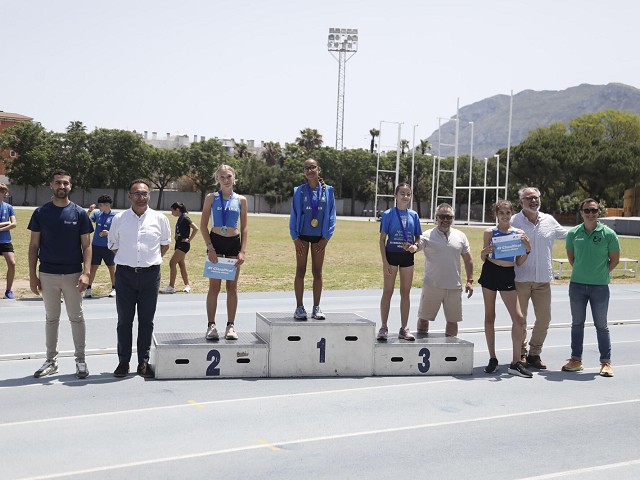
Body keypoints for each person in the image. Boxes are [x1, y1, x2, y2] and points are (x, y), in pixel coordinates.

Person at [27, 169, 93, 378]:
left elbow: (87, 246)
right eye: (58, 183)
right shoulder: (40, 213)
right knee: (51, 318)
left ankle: (80, 360)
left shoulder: (79, 213)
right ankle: (51, 361)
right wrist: (32, 276)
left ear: (70, 186)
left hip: (73, 274)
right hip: (47, 274)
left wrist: (86, 273)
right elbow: (33, 246)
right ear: (51, 185)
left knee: (76, 317)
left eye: (65, 183)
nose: (61, 186)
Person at [108, 179, 171, 378]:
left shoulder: (160, 219)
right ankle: (123, 362)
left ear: (149, 195)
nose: (141, 197)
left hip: (150, 276)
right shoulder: (119, 219)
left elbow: (165, 245)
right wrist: (129, 259)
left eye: (144, 194)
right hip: (125, 275)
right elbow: (113, 245)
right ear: (129, 196)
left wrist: (147, 260)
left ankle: (143, 361)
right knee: (124, 321)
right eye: (137, 193)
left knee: (146, 321)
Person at [562, 199, 619, 377]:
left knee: (601, 325)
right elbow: (572, 259)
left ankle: (606, 363)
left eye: (594, 210)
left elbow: (614, 260)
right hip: (577, 286)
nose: (590, 214)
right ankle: (576, 360)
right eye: (587, 210)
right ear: (581, 212)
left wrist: (600, 273)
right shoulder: (573, 233)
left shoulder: (609, 234)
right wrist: (584, 272)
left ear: (599, 212)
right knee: (577, 324)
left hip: (600, 287)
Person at [511, 187, 567, 369]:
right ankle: (521, 353)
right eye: (529, 198)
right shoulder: (514, 221)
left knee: (544, 319)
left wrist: (588, 227)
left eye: (536, 198)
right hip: (520, 279)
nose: (533, 201)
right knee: (520, 319)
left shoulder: (549, 220)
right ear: (521, 202)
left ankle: (535, 353)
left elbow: (568, 235)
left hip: (543, 279)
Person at [479, 200, 533, 378]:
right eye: (501, 213)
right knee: (490, 316)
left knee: (519, 318)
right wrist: (485, 251)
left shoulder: (518, 233)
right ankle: (492, 358)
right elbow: (483, 257)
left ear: (512, 214)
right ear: (496, 214)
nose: (504, 216)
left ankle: (516, 362)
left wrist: (527, 249)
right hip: (490, 272)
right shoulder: (489, 232)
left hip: (507, 273)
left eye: (507, 213)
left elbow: (519, 261)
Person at [407, 203, 473, 337]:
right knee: (423, 319)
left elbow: (468, 260)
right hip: (432, 285)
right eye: (442, 216)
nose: (445, 220)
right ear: (436, 217)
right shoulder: (427, 235)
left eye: (449, 217)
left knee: (452, 321)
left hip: (454, 287)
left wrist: (470, 280)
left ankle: (451, 348)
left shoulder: (460, 236)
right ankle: (421, 344)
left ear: (453, 218)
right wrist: (413, 248)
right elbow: (418, 245)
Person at [200, 165, 248, 340]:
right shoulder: (211, 198)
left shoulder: (241, 200)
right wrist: (210, 247)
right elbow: (203, 225)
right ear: (217, 179)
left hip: (233, 244)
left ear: (234, 178)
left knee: (232, 287)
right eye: (222, 177)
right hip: (216, 243)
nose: (226, 180)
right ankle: (211, 326)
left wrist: (242, 251)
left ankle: (230, 326)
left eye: (229, 176)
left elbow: (245, 227)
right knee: (214, 287)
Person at [289, 158, 336, 320]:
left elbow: (332, 216)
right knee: (300, 271)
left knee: (317, 272)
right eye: (306, 168)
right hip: (302, 236)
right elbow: (294, 214)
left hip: (319, 238)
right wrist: (295, 237)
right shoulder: (299, 191)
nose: (309, 170)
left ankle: (316, 308)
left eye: (312, 167)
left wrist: (326, 238)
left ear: (318, 169)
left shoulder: (328, 191)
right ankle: (299, 308)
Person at [378, 183, 422, 341]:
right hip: (391, 256)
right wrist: (385, 262)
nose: (405, 196)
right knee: (388, 291)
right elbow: (382, 240)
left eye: (408, 194)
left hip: (407, 257)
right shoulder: (388, 214)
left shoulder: (414, 215)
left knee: (405, 292)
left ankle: (404, 328)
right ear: (395, 195)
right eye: (402, 193)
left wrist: (415, 246)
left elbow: (418, 238)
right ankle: (384, 327)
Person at [160, 202, 199, 294]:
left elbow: (195, 228)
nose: (171, 213)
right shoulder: (180, 218)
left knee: (172, 262)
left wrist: (189, 239)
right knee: (181, 264)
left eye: (172, 211)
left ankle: (171, 287)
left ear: (177, 209)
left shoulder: (185, 218)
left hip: (183, 245)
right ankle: (187, 285)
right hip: (178, 244)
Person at [85, 195, 116, 298]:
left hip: (109, 246)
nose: (99, 207)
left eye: (100, 205)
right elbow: (86, 220)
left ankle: (114, 288)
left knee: (111, 267)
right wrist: (89, 211)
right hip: (96, 246)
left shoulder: (115, 217)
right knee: (93, 267)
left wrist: (108, 233)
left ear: (106, 205)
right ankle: (88, 289)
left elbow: (119, 232)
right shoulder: (97, 214)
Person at [0, 183, 17, 299]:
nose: (2, 194)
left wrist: (1, 228)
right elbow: (9, 223)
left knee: (12, 263)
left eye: (3, 192)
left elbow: (14, 224)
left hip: (5, 240)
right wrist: (6, 223)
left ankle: (8, 291)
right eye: (1, 191)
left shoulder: (9, 207)